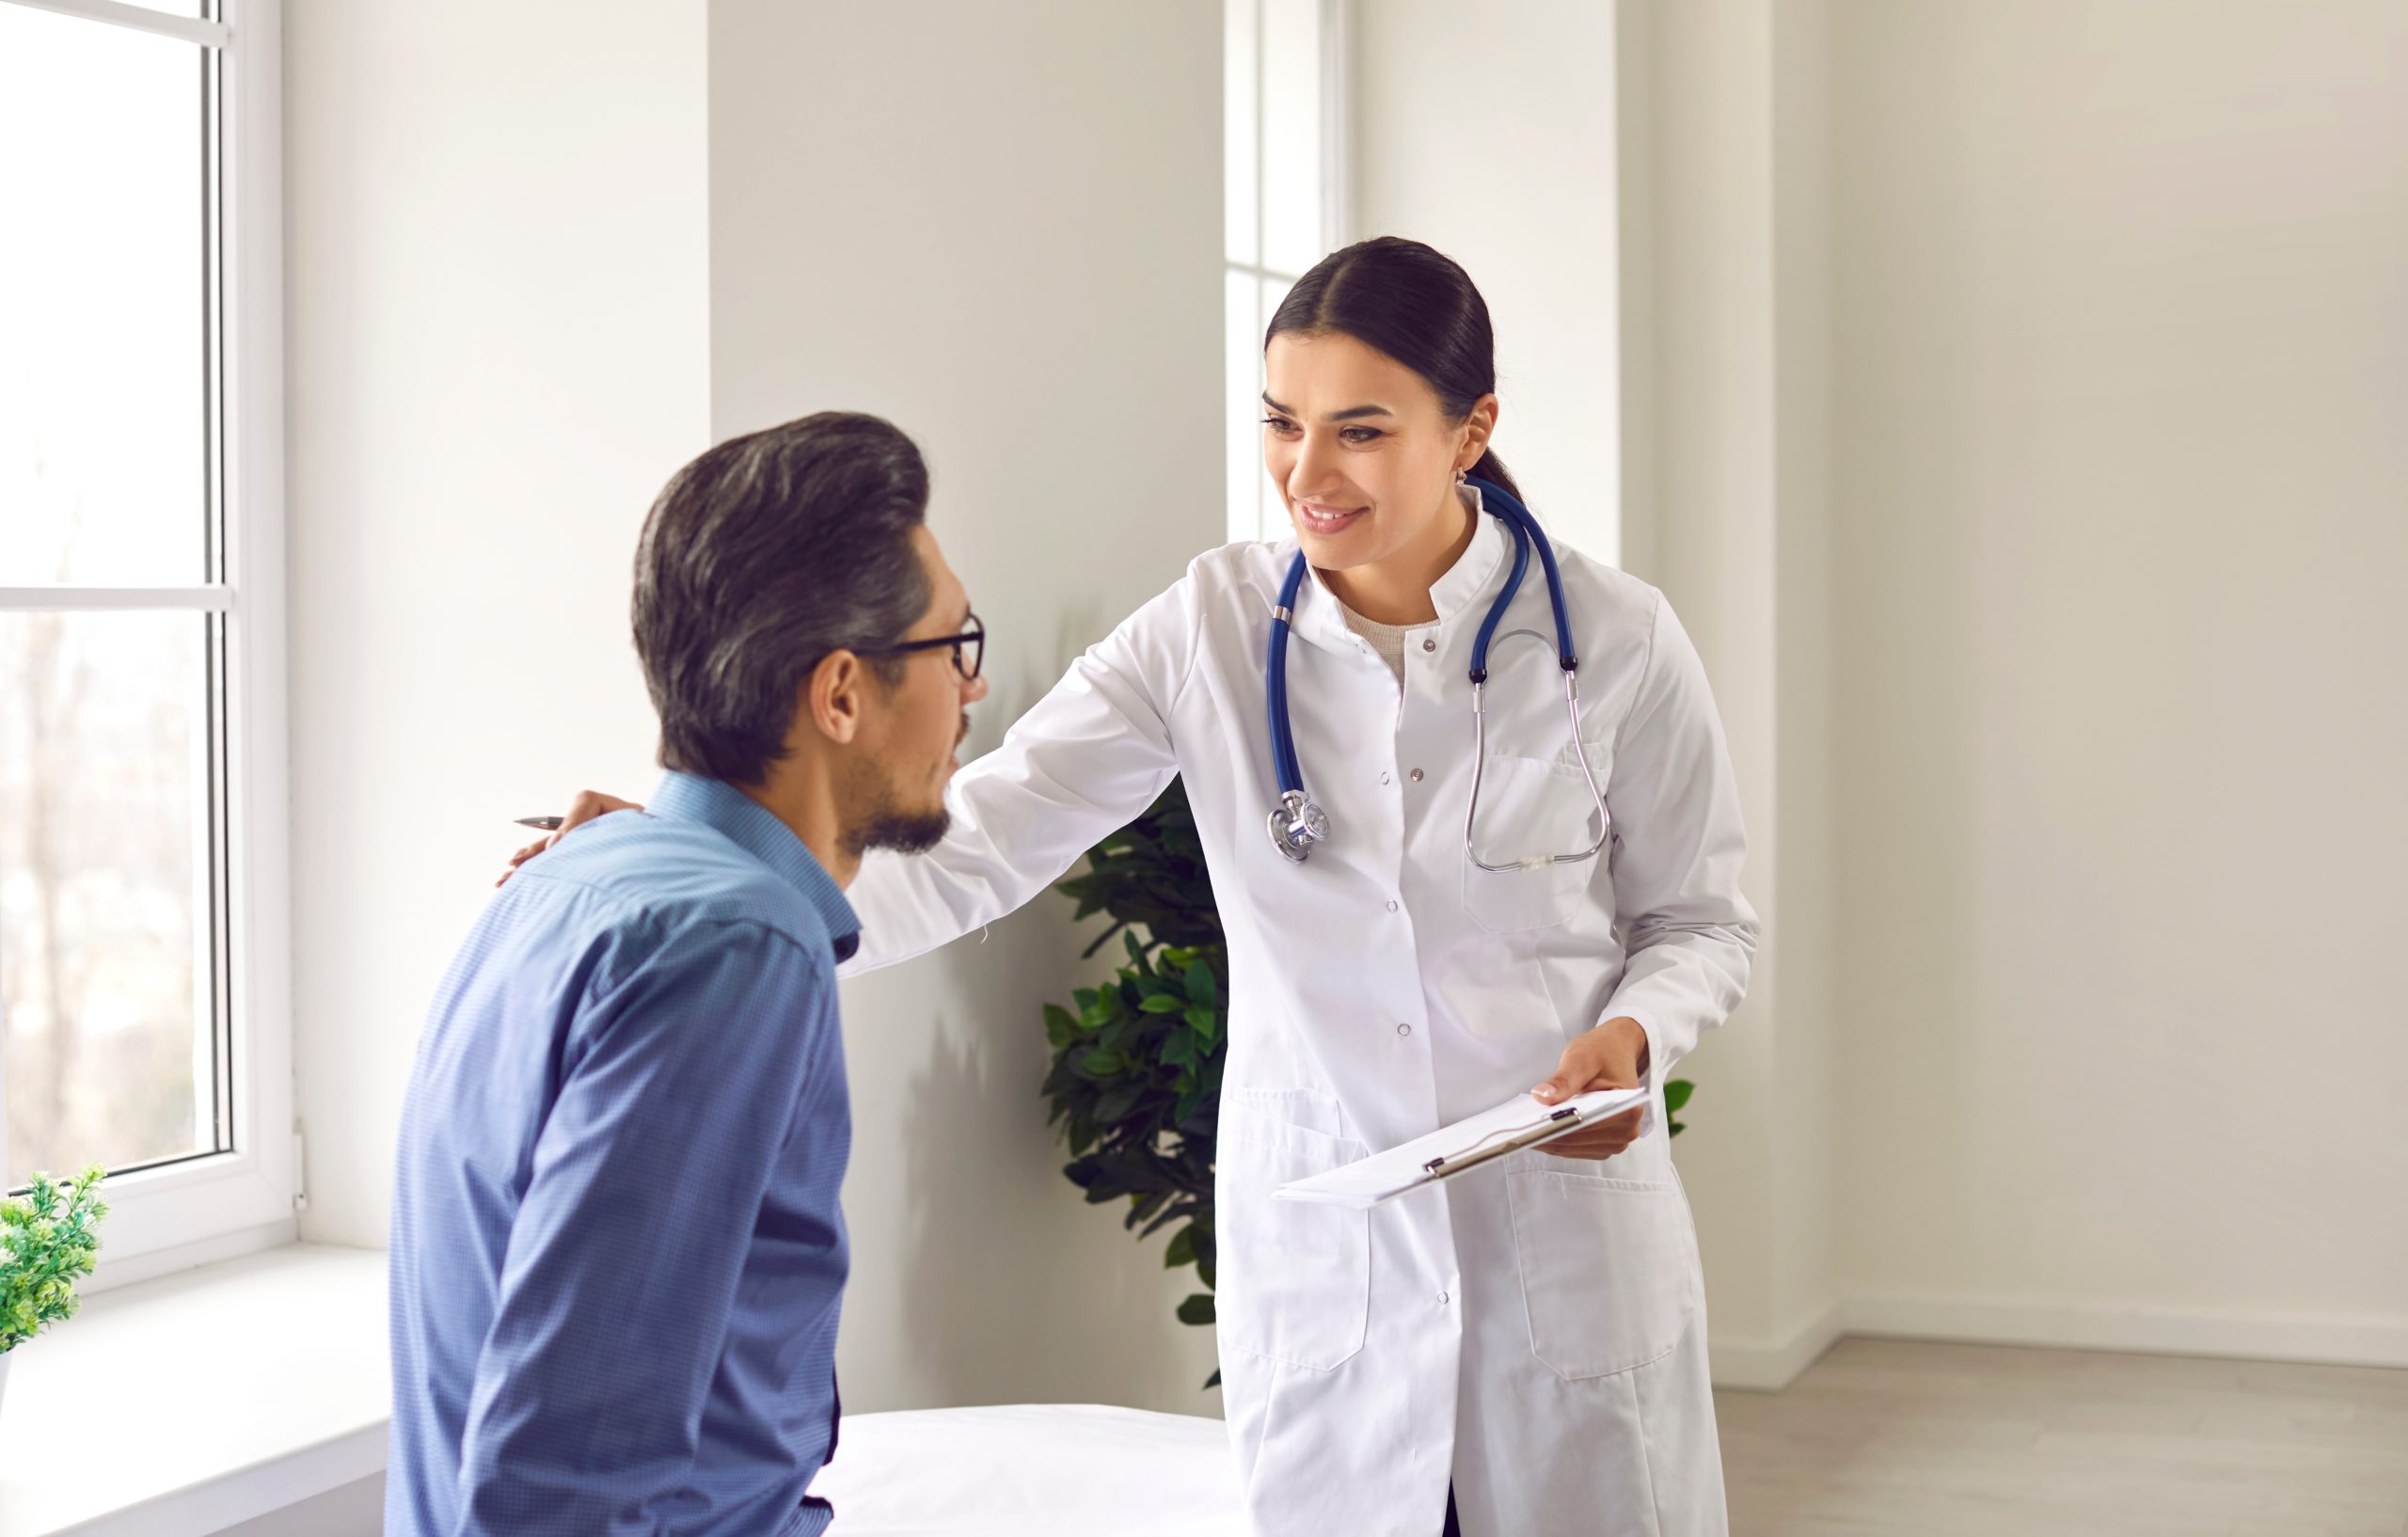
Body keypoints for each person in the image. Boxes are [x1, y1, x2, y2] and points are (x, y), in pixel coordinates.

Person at [523, 237, 1757, 1537]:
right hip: (1336, 1267)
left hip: (1561, 1244)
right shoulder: (1211, 628)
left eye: (1360, 431)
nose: (1306, 473)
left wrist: (1634, 1035)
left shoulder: (1615, 642)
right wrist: (710, 865)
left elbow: (1700, 922)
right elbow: (981, 838)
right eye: (1281, 423)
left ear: (1472, 431)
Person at [389, 411, 989, 1536]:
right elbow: (565, 1480)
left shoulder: (568, 876)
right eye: (954, 645)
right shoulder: (739, 946)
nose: (976, 687)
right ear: (842, 693)